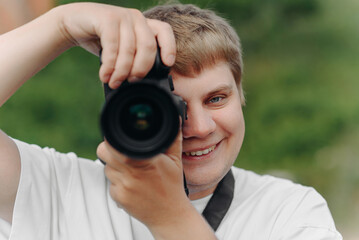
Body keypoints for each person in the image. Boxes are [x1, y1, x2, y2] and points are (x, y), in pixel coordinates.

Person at [0, 2, 342, 240]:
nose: (200, 127)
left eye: (216, 98)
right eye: (173, 105)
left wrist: (171, 217)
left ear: (242, 97)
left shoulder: (289, 211)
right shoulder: (60, 190)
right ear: (124, 109)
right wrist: (61, 25)